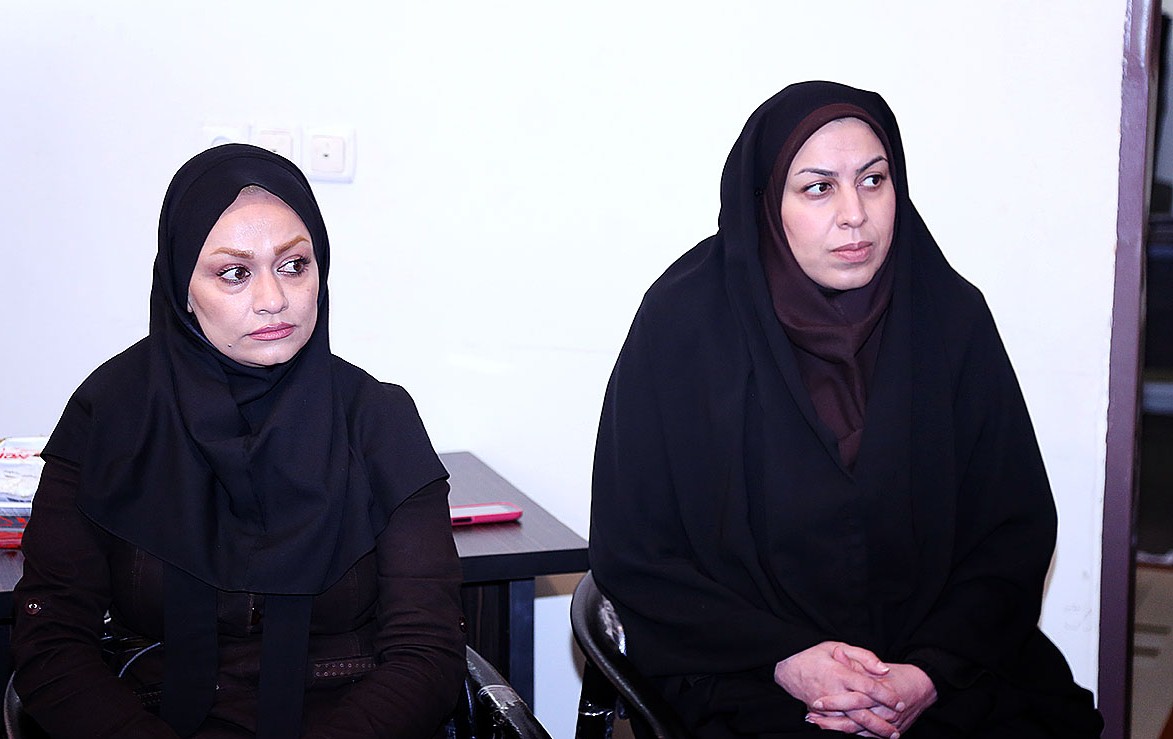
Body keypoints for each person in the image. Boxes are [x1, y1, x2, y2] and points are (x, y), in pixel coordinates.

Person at [588, 81, 1104, 738]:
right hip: (749, 671)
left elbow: (1012, 531)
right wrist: (787, 657)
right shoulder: (684, 326)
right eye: (818, 188)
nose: (854, 214)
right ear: (764, 202)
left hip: (941, 668)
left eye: (873, 180)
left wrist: (925, 672)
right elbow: (635, 550)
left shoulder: (951, 318)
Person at [11, 143, 466, 738]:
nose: (273, 299)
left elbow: (427, 653)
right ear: (181, 286)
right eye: (234, 273)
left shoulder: (377, 418)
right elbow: (51, 644)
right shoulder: (112, 415)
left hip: (347, 716)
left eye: (294, 265)